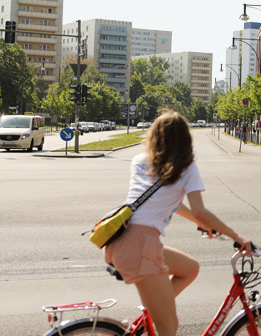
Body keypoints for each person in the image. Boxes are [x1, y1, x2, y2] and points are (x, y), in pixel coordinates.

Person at [104, 111, 252, 336]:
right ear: (185, 139)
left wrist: (205, 225)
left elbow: (171, 204)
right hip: (141, 246)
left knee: (190, 268)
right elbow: (200, 210)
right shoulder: (187, 168)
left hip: (120, 240)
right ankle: (158, 306)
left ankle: (155, 305)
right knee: (169, 327)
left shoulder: (140, 161)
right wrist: (236, 236)